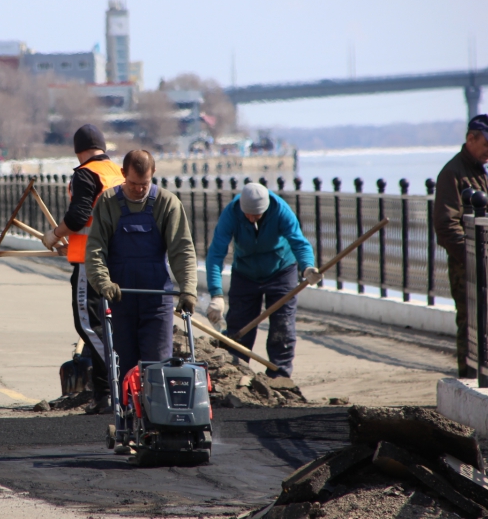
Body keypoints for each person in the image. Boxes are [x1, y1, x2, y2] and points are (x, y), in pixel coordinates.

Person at [84, 150, 197, 419]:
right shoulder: (108, 203)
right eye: (133, 184)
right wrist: (104, 282)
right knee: (124, 371)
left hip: (156, 300)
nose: (139, 189)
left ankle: (158, 421)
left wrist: (188, 290)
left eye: (144, 184)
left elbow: (182, 250)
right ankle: (126, 422)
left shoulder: (167, 204)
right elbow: (95, 250)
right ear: (123, 176)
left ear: (153, 175)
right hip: (121, 300)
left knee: (157, 366)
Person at [41, 124, 124, 414]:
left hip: (91, 262)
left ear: (79, 151)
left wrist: (54, 234)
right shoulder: (118, 172)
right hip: (118, 259)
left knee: (88, 324)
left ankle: (116, 385)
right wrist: (70, 244)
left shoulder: (85, 173)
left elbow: (78, 217)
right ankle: (103, 395)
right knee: (108, 323)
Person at [205, 183, 319, 378]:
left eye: (256, 215)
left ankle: (280, 377)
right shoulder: (232, 213)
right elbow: (216, 254)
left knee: (282, 327)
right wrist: (216, 294)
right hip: (245, 273)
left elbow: (298, 242)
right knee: (238, 328)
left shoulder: (280, 210)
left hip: (281, 270)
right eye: (248, 214)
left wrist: (308, 267)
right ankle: (236, 374)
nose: (251, 218)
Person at [435, 114, 488, 378]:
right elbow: (445, 226)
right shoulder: (453, 173)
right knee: (471, 323)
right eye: (487, 144)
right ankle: (471, 378)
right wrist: (472, 258)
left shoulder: (484, 170)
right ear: (470, 139)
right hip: (468, 264)